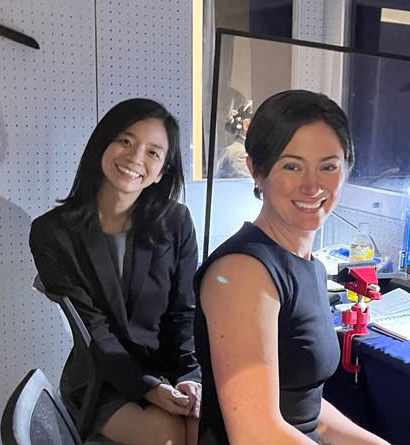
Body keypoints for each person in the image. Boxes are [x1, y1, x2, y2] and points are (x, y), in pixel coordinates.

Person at [194, 89, 390, 445]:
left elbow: (308, 412)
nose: (312, 185)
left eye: (328, 166)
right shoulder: (243, 274)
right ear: (257, 170)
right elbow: (255, 434)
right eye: (292, 166)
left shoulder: (309, 265)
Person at [29, 98, 201, 445]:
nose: (136, 157)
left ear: (162, 171)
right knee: (168, 436)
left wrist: (189, 377)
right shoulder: (53, 233)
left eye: (153, 153)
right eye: (125, 140)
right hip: (101, 376)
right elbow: (95, 331)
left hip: (167, 368)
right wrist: (147, 388)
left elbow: (183, 314)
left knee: (203, 428)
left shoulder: (177, 222)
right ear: (102, 145)